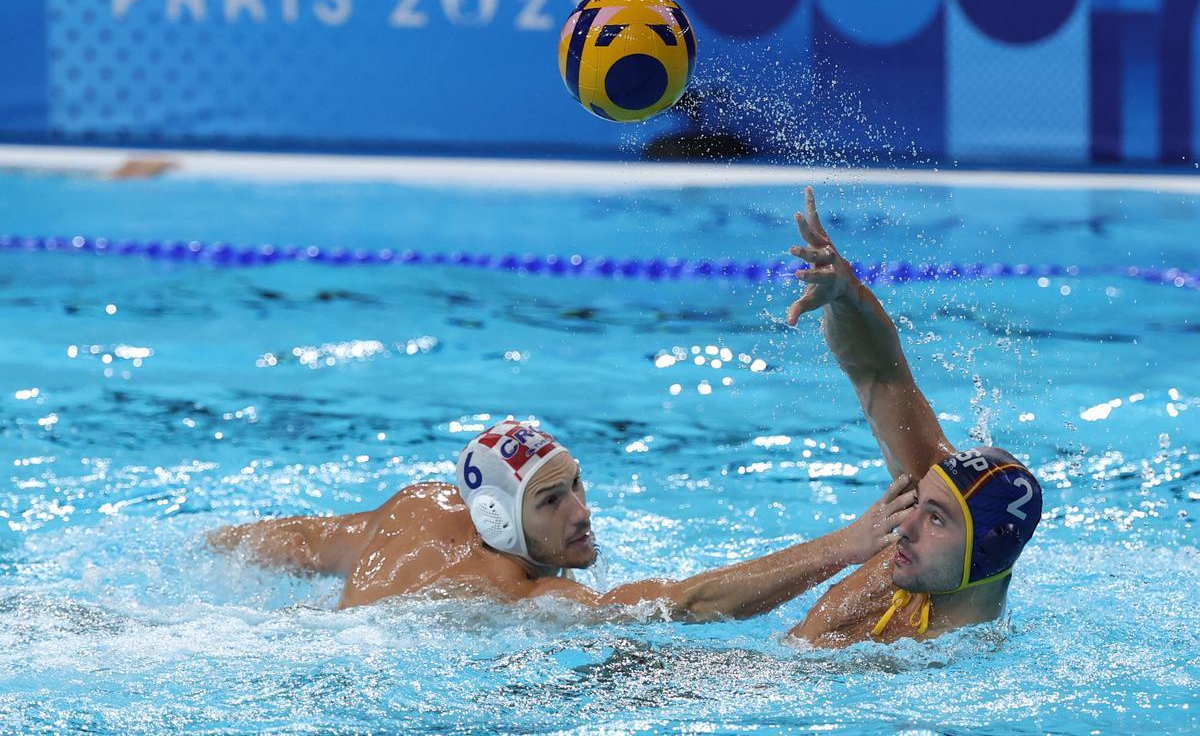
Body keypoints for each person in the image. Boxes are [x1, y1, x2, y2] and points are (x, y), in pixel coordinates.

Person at [208, 427, 916, 618]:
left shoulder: (415, 508)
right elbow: (684, 604)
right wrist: (842, 546)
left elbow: (289, 542)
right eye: (552, 502)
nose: (583, 512)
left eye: (576, 484)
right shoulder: (518, 592)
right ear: (498, 520)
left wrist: (203, 546)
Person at [782, 187, 1043, 646]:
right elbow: (881, 375)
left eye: (936, 518)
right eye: (921, 505)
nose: (903, 525)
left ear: (988, 548)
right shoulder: (941, 538)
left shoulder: (949, 671)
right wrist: (847, 295)